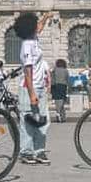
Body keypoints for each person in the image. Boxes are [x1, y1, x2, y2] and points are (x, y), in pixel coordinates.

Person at [16, 11, 53, 165]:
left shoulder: (34, 38)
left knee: (43, 120)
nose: (38, 25)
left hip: (40, 86)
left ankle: (39, 151)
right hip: (29, 88)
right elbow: (27, 71)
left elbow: (40, 27)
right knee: (28, 120)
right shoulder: (27, 45)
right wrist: (32, 94)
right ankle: (26, 152)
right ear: (29, 27)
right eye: (35, 23)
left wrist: (45, 17)